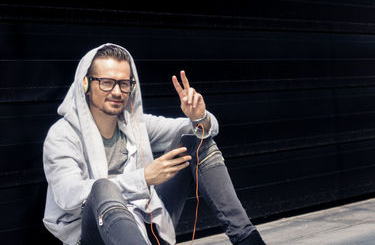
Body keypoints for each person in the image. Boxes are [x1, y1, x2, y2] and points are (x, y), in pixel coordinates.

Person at [42, 43, 265, 245]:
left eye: (124, 84)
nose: (117, 92)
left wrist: (198, 117)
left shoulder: (136, 125)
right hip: (95, 237)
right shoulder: (62, 135)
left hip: (148, 224)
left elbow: (209, 127)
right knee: (102, 187)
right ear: (85, 85)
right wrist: (144, 178)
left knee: (194, 135)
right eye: (107, 83)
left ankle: (246, 239)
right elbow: (68, 194)